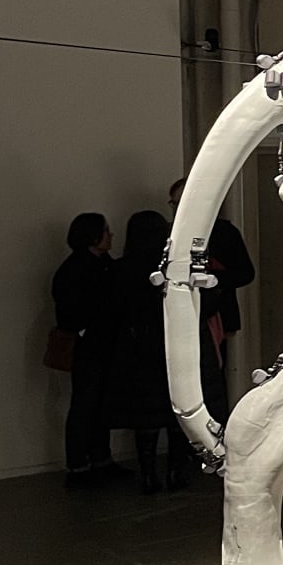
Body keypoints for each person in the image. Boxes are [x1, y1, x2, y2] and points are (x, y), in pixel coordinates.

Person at [109, 211, 189, 492]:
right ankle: (176, 472)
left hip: (137, 347)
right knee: (177, 410)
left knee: (145, 415)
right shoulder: (171, 267)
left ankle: (147, 474)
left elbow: (114, 310)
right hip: (173, 342)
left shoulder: (121, 268)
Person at [169, 177, 255, 423]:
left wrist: (210, 277)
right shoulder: (171, 233)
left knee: (213, 377)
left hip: (215, 314)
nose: (178, 211)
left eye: (182, 204)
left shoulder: (224, 232)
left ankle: (215, 433)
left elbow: (246, 273)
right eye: (174, 205)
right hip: (180, 317)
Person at [51, 212, 118, 487]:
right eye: (106, 231)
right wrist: (85, 330)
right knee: (85, 403)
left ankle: (100, 460)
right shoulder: (76, 269)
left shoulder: (101, 264)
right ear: (93, 236)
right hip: (88, 347)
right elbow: (68, 312)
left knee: (99, 402)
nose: (111, 235)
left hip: (102, 344)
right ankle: (78, 465)